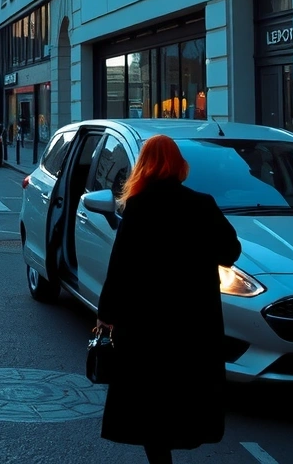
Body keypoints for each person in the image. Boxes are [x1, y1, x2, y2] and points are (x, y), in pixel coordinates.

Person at [97, 134, 240, 464]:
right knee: (184, 390)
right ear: (180, 165)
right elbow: (230, 251)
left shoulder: (139, 206)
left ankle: (160, 456)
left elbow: (120, 265)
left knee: (151, 396)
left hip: (146, 321)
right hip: (192, 319)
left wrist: (106, 313)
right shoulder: (202, 204)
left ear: (143, 166)